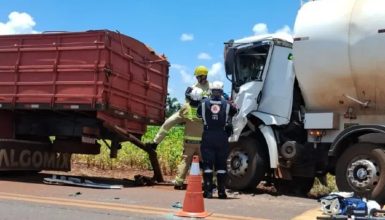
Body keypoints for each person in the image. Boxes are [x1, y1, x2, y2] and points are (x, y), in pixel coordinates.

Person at [145, 86, 205, 189]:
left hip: (189, 142)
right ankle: (210, 183)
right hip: (202, 143)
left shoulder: (185, 108)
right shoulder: (205, 108)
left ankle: (178, 182)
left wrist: (156, 142)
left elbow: (170, 122)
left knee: (185, 162)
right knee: (206, 163)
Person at [197, 81, 238, 199]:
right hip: (222, 135)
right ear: (221, 92)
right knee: (221, 165)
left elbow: (199, 115)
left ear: (211, 91)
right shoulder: (227, 104)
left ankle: (208, 192)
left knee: (208, 165)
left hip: (208, 135)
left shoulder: (204, 103)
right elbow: (235, 112)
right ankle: (221, 192)